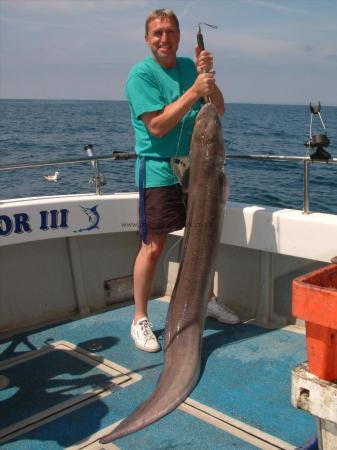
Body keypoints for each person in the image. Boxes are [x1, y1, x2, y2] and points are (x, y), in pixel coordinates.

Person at [125, 9, 240, 353]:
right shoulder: (140, 76)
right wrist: (193, 92)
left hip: (195, 169)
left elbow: (218, 109)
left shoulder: (191, 69)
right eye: (157, 33)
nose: (164, 39)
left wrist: (208, 80)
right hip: (159, 169)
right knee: (154, 246)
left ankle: (207, 299)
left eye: (170, 32)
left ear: (178, 36)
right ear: (148, 39)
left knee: (200, 240)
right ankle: (140, 318)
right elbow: (157, 126)